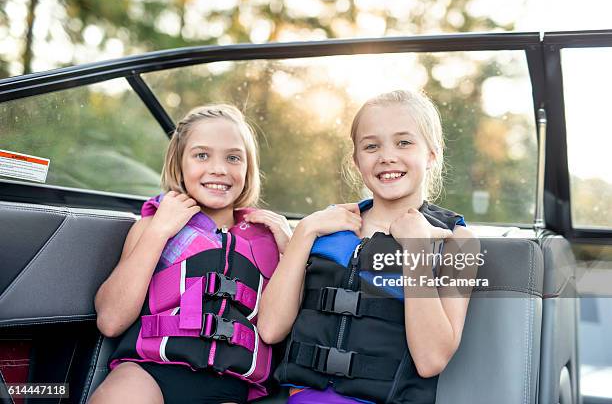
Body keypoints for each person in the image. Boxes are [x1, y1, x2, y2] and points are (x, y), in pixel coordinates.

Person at [258, 90, 479, 403]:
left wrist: (415, 247)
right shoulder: (324, 229)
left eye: (403, 142)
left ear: (432, 154)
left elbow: (431, 360)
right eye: (371, 146)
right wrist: (304, 233)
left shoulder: (457, 242)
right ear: (356, 160)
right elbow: (269, 330)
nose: (386, 156)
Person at [89, 104, 292, 404]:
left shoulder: (268, 240)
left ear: (248, 169)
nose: (219, 169)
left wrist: (290, 251)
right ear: (179, 163)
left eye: (233, 158)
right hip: (149, 372)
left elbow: (278, 330)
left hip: (229, 386)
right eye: (201, 155)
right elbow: (110, 320)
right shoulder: (152, 226)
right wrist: (159, 232)